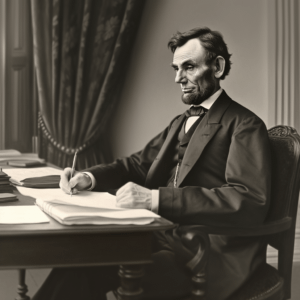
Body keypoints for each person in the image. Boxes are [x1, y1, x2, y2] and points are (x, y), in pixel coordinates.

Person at [33, 27, 271, 300]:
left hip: (206, 252)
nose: (178, 78)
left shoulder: (246, 125)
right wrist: (89, 176)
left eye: (189, 67)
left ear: (217, 67)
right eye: (176, 68)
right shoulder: (180, 122)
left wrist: (157, 199)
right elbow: (135, 165)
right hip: (159, 234)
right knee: (78, 263)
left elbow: (249, 200)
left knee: (100, 272)